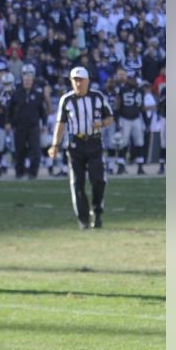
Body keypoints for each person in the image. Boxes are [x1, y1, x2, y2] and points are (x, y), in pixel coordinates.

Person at [50, 66, 114, 229]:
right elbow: (60, 123)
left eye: (81, 80)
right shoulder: (67, 99)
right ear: (71, 81)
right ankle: (83, 220)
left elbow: (110, 118)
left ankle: (98, 211)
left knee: (98, 180)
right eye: (75, 80)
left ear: (88, 81)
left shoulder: (98, 97)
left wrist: (101, 123)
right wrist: (55, 145)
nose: (78, 84)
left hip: (94, 143)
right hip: (75, 145)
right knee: (78, 184)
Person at [1, 65, 48, 179]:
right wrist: (8, 122)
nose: (27, 82)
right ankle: (19, 172)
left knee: (35, 151)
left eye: (29, 80)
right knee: (19, 150)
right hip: (19, 126)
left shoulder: (37, 94)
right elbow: (9, 109)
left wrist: (44, 124)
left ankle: (33, 173)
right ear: (22, 81)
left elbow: (42, 110)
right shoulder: (16, 93)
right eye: (25, 80)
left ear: (32, 81)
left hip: (33, 126)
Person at [114, 73, 149, 175]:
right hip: (125, 119)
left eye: (134, 79)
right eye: (130, 79)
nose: (132, 81)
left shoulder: (140, 91)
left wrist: (146, 121)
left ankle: (140, 167)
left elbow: (142, 106)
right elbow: (117, 105)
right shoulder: (122, 90)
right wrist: (117, 120)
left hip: (137, 119)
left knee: (139, 143)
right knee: (123, 143)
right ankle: (121, 167)